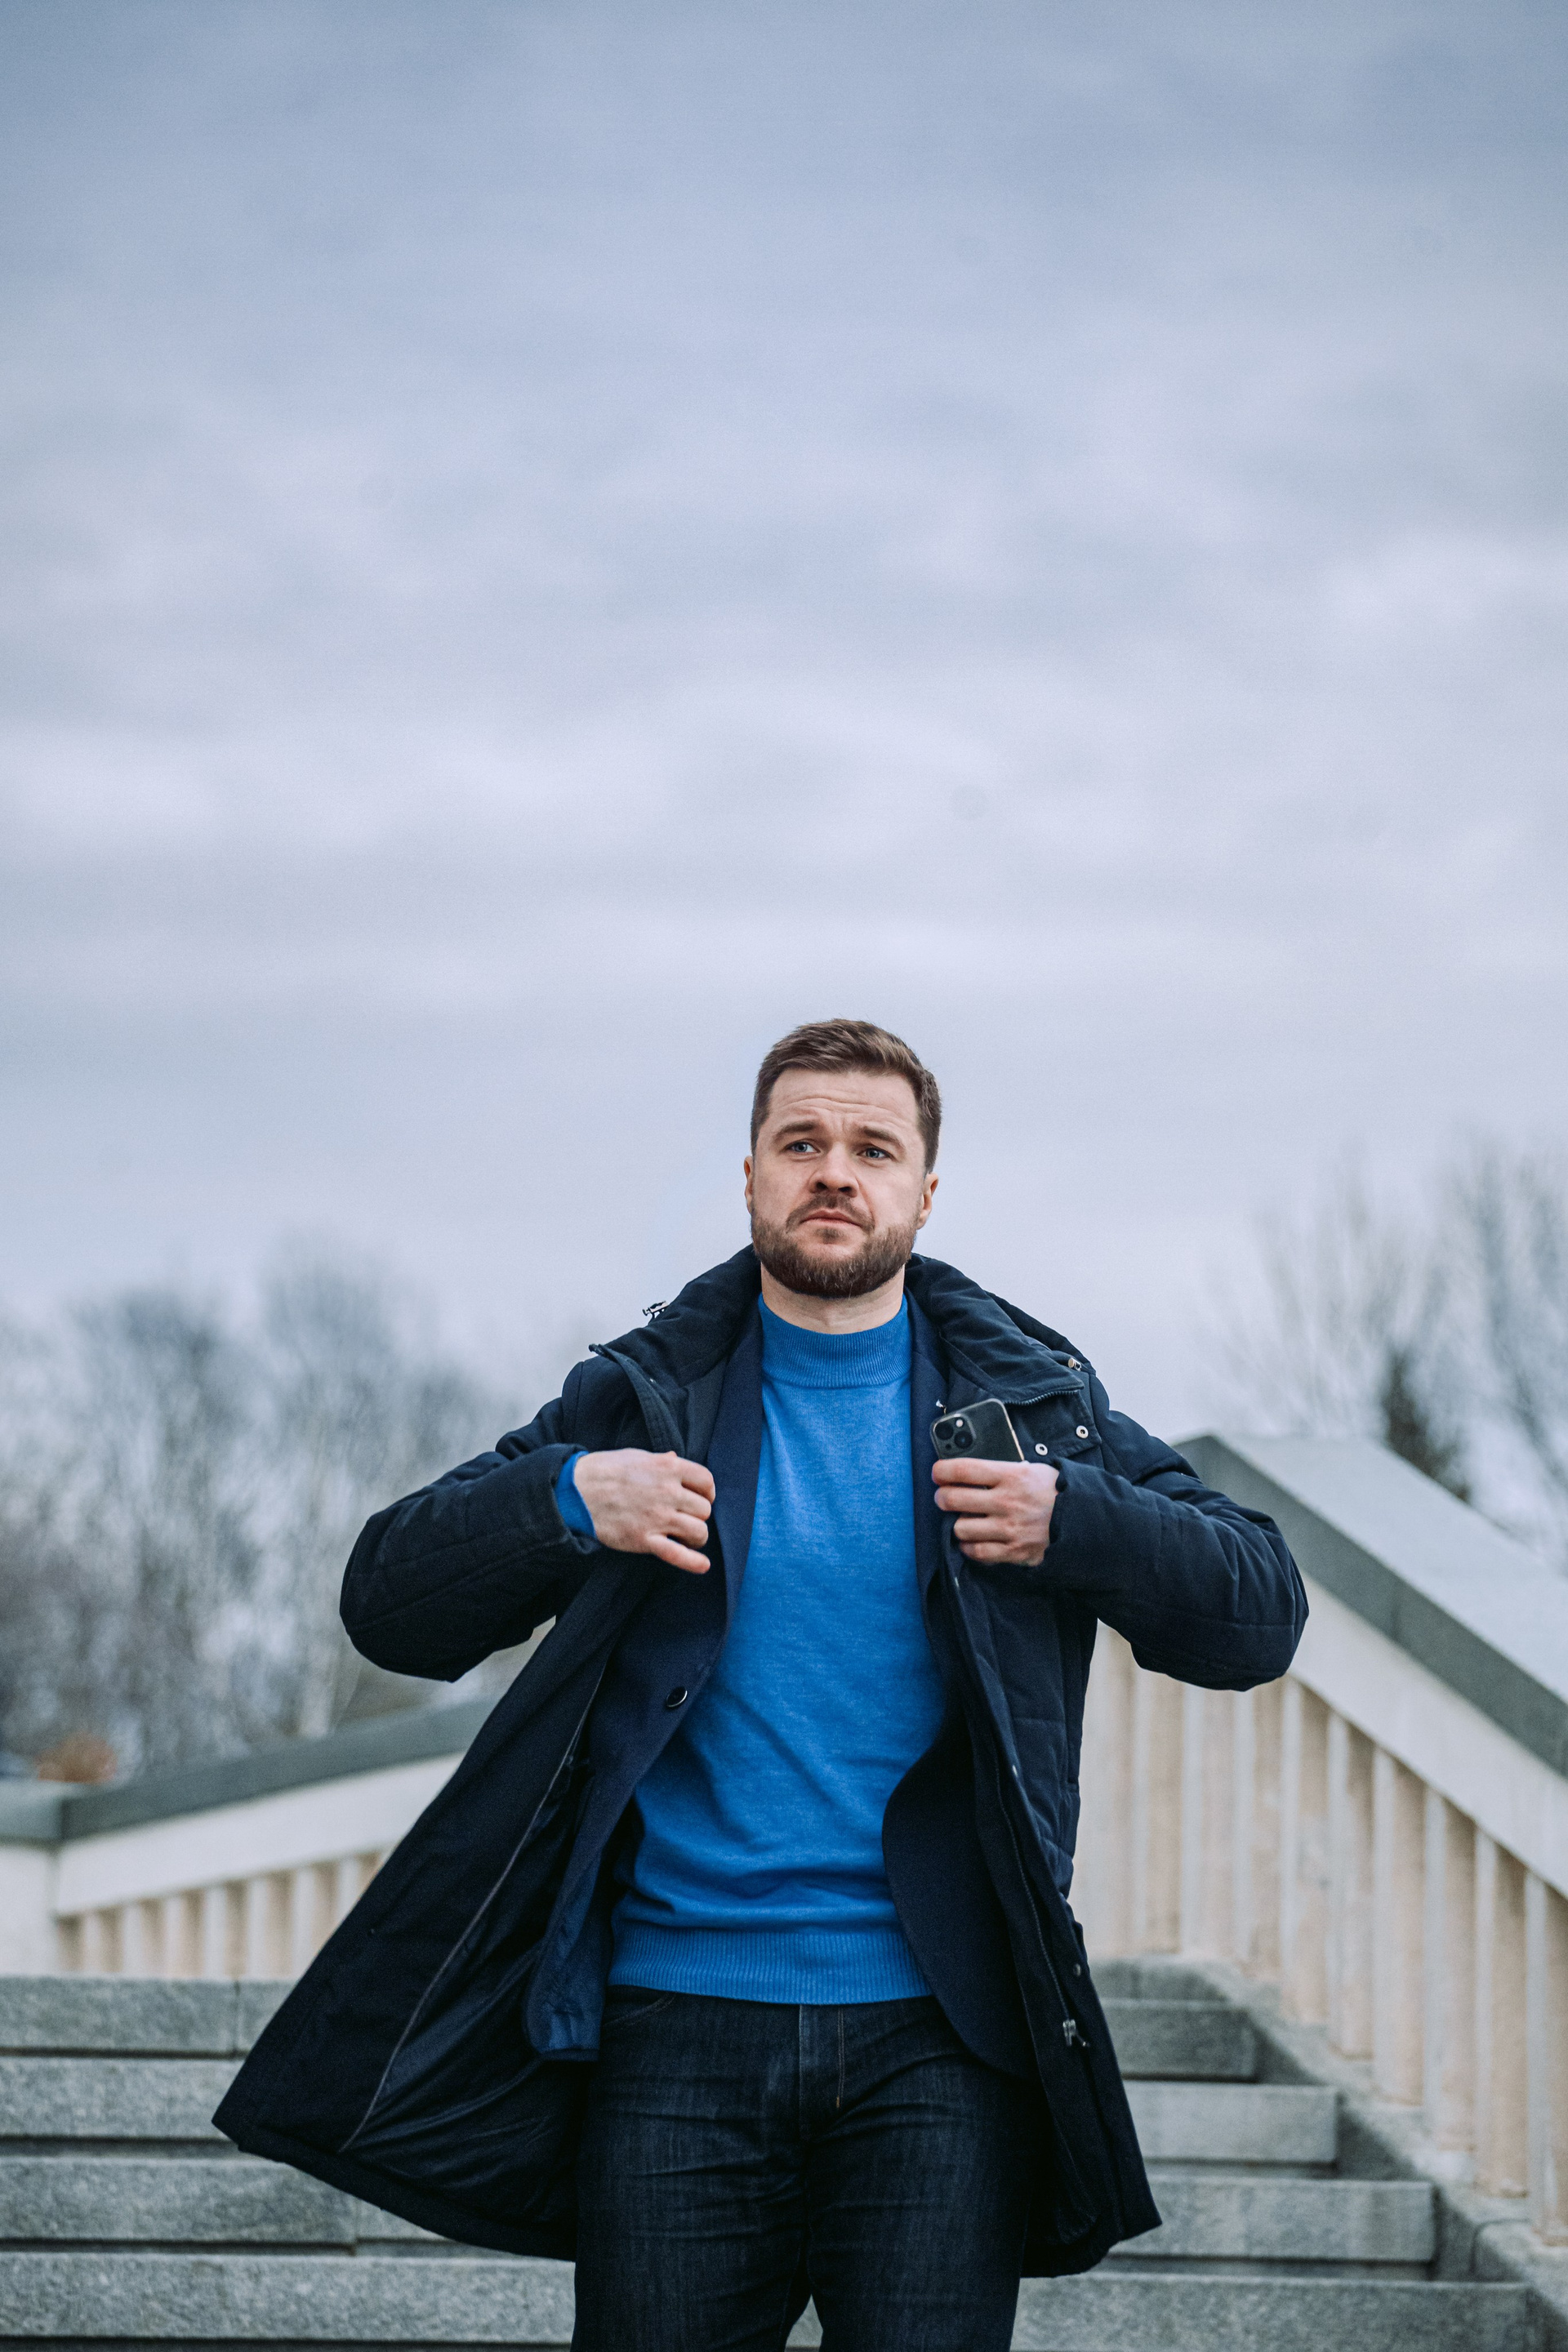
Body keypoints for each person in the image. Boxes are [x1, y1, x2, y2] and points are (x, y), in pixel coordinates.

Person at [216, 1018, 1307, 2352]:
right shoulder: (646, 1401)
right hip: (675, 2027)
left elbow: (1261, 1614)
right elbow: (388, 1603)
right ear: (750, 1177)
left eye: (872, 1149)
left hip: (943, 2041)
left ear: (924, 1193)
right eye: (802, 1143)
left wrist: (1076, 1522)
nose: (834, 1171)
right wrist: (565, 1498)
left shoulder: (1033, 1411)